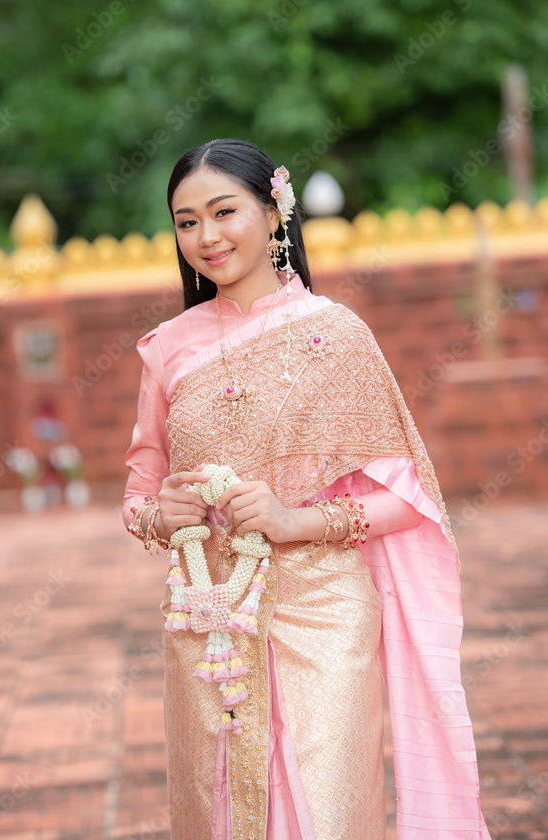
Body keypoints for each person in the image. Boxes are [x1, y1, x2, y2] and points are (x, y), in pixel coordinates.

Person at [122, 138, 491, 840]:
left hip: (323, 606)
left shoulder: (336, 335)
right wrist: (158, 517)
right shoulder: (168, 346)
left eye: (223, 211)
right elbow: (139, 490)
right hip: (210, 614)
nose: (206, 236)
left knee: (326, 810)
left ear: (272, 211)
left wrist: (295, 521)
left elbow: (407, 500)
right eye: (186, 221)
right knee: (217, 808)